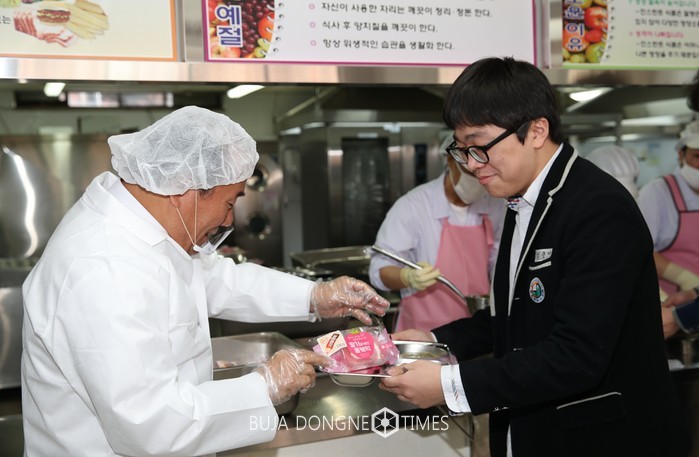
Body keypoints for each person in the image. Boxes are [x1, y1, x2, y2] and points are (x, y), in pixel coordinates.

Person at [21, 106, 389, 457]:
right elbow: (151, 424)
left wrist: (316, 295)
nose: (229, 220)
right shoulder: (103, 268)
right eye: (230, 202)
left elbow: (216, 279)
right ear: (186, 190)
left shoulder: (145, 231)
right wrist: (264, 386)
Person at [379, 57, 690, 457]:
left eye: (480, 147)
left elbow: (575, 355)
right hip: (535, 428)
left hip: (602, 438)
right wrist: (436, 341)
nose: (471, 165)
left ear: (537, 130)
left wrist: (449, 385)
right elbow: (516, 315)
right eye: (462, 150)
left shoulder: (597, 208)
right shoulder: (522, 199)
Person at [368, 134, 504, 332]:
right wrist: (407, 277)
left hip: (477, 329)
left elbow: (498, 264)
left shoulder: (495, 205)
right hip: (423, 333)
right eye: (470, 172)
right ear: (451, 161)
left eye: (482, 173)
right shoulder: (413, 206)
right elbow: (379, 270)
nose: (477, 179)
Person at [638, 119, 699, 295]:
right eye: (697, 156)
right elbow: (640, 251)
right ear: (681, 154)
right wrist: (685, 279)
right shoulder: (658, 192)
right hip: (671, 300)